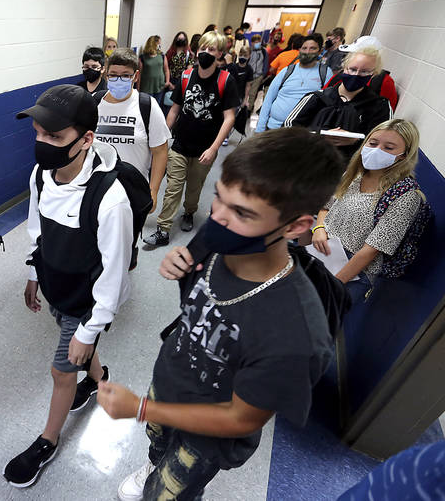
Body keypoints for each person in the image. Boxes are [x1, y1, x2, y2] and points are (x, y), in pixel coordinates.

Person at [98, 127, 344, 501]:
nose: (218, 217)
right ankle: (155, 462)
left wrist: (141, 408)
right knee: (158, 444)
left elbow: (240, 418)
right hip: (173, 376)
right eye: (219, 198)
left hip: (210, 432)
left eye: (242, 212)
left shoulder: (295, 331)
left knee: (169, 490)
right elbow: (197, 285)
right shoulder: (222, 234)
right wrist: (177, 262)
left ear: (295, 226)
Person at [4, 84, 133, 488]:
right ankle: (96, 377)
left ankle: (48, 440)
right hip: (56, 285)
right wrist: (33, 272)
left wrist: (89, 330)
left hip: (87, 301)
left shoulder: (111, 200)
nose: (43, 143)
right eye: (39, 133)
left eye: (55, 136)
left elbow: (115, 275)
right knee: (74, 347)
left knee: (61, 372)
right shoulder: (40, 175)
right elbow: (38, 227)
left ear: (86, 139)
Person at [312, 119, 422, 303]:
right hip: (322, 252)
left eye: (389, 148)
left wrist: (333, 285)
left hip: (350, 273)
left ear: (403, 155)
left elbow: (371, 251)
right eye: (373, 143)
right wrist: (319, 229)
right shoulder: (356, 173)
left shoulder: (406, 195)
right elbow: (327, 206)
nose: (377, 150)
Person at [144, 30, 238, 246]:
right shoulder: (187, 76)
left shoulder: (226, 80)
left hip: (205, 148)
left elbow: (229, 118)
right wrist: (162, 137)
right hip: (180, 145)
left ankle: (189, 211)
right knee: (173, 187)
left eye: (211, 49)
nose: (205, 52)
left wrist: (214, 148)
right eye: (203, 48)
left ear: (220, 54)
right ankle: (163, 229)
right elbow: (174, 110)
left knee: (194, 187)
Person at [95, 48, 172, 217]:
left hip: (133, 192)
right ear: (106, 75)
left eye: (125, 75)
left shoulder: (147, 105)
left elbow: (160, 151)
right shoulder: (94, 103)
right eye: (113, 75)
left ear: (135, 76)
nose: (119, 79)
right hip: (97, 190)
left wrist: (153, 191)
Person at [284, 45, 392, 157]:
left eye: (364, 72)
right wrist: (319, 136)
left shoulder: (379, 106)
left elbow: (383, 143)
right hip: (310, 160)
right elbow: (289, 128)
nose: (356, 75)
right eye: (352, 69)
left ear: (373, 74)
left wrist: (356, 140)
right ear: (344, 67)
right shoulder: (316, 97)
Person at [256, 35, 332, 132]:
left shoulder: (325, 73)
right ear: (300, 50)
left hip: (301, 132)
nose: (307, 52)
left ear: (320, 51)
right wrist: (260, 128)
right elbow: (268, 99)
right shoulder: (287, 71)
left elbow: (327, 104)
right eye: (304, 48)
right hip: (274, 128)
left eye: (312, 48)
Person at [138, 35, 171, 107]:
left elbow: (166, 70)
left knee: (156, 106)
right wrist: (138, 88)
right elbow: (139, 74)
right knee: (146, 107)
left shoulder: (162, 55)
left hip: (159, 87)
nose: (160, 45)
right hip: (146, 88)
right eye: (158, 43)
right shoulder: (143, 57)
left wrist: (167, 81)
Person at [247, 34, 269, 111]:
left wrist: (263, 75)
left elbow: (265, 63)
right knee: (245, 92)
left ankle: (248, 109)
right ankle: (244, 106)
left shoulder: (263, 51)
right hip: (248, 75)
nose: (257, 44)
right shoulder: (249, 50)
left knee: (252, 93)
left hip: (258, 76)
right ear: (252, 43)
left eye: (259, 42)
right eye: (255, 42)